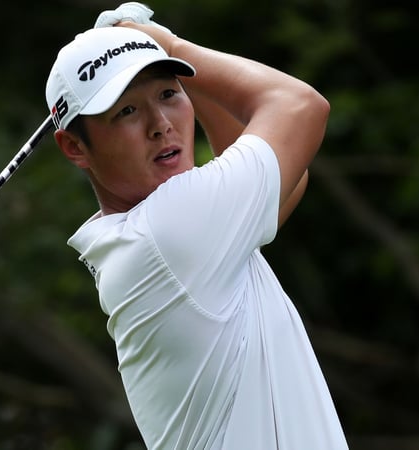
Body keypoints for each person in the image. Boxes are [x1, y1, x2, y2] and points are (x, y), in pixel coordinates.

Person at [45, 3, 347, 449]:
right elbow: (301, 107)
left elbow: (288, 178)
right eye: (126, 111)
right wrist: (170, 45)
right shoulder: (168, 233)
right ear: (74, 146)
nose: (160, 125)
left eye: (169, 94)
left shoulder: (159, 237)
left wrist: (154, 50)